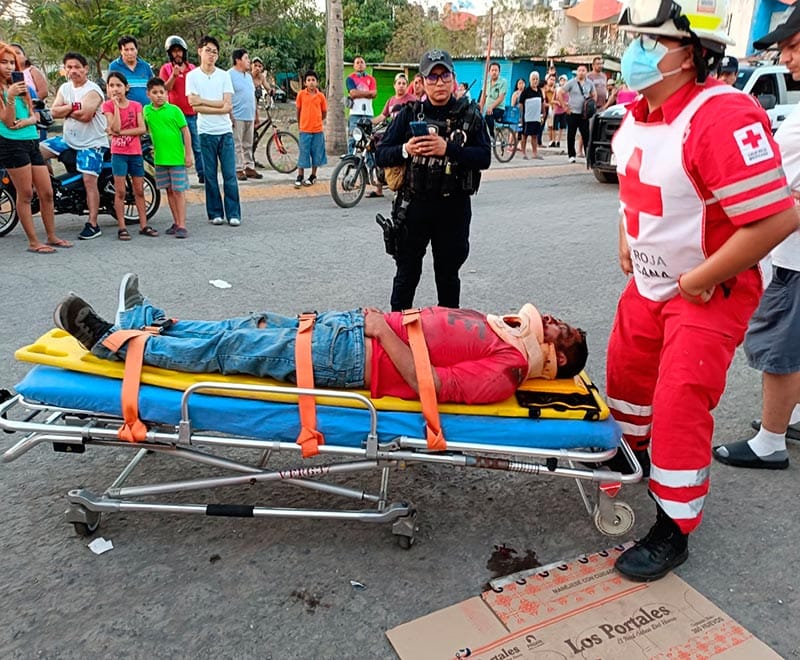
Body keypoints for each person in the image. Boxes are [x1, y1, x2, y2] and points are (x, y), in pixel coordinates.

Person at [606, 0, 798, 582]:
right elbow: (636, 187)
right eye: (632, 39)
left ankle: (674, 523)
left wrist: (700, 279)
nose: (633, 51)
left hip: (709, 289)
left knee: (679, 399)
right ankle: (635, 457)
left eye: (649, 41)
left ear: (689, 54)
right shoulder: (637, 114)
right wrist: (625, 235)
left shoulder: (721, 115)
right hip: (650, 282)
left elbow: (777, 217)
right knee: (626, 378)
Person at [54, 273, 589, 406]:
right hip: (350, 331)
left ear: (557, 356)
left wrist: (381, 332)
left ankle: (110, 342)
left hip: (354, 354)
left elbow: (433, 385)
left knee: (231, 349)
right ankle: (143, 321)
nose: (552, 319)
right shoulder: (505, 333)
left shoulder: (507, 371)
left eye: (560, 329)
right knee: (242, 328)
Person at [712, 9, 800, 470]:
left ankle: (771, 440)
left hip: (793, 256)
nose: (786, 58)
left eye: (794, 46)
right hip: (790, 250)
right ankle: (792, 415)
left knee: (779, 348)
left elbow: (779, 195)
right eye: (783, 49)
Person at [375, 49, 491, 312]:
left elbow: (484, 157)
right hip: (414, 207)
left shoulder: (470, 115)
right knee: (406, 276)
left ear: (453, 78)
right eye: (433, 77)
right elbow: (381, 154)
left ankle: (447, 332)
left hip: (453, 208)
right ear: (422, 81)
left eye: (444, 76)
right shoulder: (409, 113)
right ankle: (398, 331)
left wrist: (448, 149)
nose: (439, 83)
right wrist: (406, 149)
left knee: (448, 276)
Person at [0, 41, 71, 253]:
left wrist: (26, 121)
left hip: (31, 140)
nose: (9, 67)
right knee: (25, 194)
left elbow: (34, 115)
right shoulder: (6, 91)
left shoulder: (22, 85)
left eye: (12, 62)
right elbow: (7, 121)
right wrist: (10, 97)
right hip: (11, 144)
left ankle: (51, 236)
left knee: (47, 192)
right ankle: (33, 242)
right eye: (4, 62)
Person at [40, 51, 109, 240]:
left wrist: (66, 109)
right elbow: (53, 112)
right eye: (69, 67)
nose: (73, 71)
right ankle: (49, 188)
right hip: (68, 139)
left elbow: (86, 115)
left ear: (85, 69)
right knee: (36, 152)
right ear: (65, 70)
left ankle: (93, 223)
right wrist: (73, 107)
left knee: (89, 180)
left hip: (92, 143)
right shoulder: (65, 88)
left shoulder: (93, 90)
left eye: (77, 67)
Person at [185, 35, 241, 227]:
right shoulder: (192, 76)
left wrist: (203, 101)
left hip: (224, 131)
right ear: (200, 51)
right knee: (210, 175)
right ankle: (215, 213)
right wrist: (216, 105)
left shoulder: (224, 76)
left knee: (229, 175)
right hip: (205, 132)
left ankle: (233, 213)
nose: (211, 55)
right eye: (208, 50)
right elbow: (194, 106)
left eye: (215, 52)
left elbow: (227, 106)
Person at [101, 71, 156, 241]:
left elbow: (141, 129)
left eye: (118, 85)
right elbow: (115, 127)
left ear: (126, 87)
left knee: (138, 190)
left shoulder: (136, 106)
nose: (115, 89)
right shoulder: (107, 106)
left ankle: (144, 225)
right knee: (120, 191)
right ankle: (122, 227)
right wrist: (117, 107)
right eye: (111, 86)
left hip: (135, 152)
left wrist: (119, 132)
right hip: (119, 153)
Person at [143, 77, 193, 238]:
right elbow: (144, 128)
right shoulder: (146, 111)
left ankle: (182, 224)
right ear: (148, 94)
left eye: (162, 92)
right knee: (169, 191)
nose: (159, 95)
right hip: (160, 159)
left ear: (166, 93)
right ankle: (176, 221)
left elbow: (186, 132)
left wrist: (188, 154)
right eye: (155, 92)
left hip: (176, 158)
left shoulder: (175, 110)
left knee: (178, 191)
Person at [159, 35, 204, 185]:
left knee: (197, 146)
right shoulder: (166, 69)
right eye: (174, 51)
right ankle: (180, 177)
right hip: (175, 115)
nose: (177, 54)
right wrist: (173, 76)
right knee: (178, 147)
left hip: (192, 114)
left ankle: (202, 174)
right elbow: (164, 89)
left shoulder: (192, 68)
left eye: (179, 51)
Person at [228, 48, 262, 181]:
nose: (249, 61)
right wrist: (230, 114)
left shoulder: (248, 77)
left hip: (249, 115)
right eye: (246, 58)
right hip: (237, 115)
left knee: (248, 143)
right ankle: (238, 168)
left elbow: (252, 96)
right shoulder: (229, 75)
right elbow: (226, 96)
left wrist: (256, 114)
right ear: (238, 60)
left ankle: (249, 167)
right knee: (237, 144)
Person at [294, 70, 327, 188]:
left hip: (317, 130)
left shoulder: (321, 96)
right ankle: (300, 175)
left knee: (316, 153)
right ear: (305, 83)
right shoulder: (301, 95)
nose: (311, 82)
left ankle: (313, 175)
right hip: (305, 129)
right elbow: (298, 111)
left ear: (317, 82)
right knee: (303, 153)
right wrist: (300, 124)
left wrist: (318, 120)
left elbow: (324, 112)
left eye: (313, 80)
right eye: (308, 80)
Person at [561, 65, 596, 163]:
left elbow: (594, 94)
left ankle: (588, 156)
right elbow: (560, 92)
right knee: (571, 135)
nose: (581, 72)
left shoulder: (590, 83)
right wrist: (564, 106)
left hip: (584, 114)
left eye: (583, 70)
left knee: (586, 135)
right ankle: (571, 155)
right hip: (572, 112)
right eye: (579, 70)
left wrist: (592, 106)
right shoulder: (571, 82)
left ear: (586, 72)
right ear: (577, 72)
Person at [108, 36, 154, 107]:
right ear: (121, 51)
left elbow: (153, 87)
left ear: (136, 50)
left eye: (132, 49)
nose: (130, 53)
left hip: (146, 110)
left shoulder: (145, 66)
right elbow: (110, 90)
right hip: (125, 110)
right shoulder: (114, 66)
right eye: (126, 50)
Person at [518, 71, 544, 160]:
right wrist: (521, 116)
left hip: (536, 117)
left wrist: (542, 114)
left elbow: (542, 103)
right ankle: (523, 153)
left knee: (535, 135)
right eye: (533, 79)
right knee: (524, 135)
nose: (535, 81)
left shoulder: (539, 91)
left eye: (537, 79)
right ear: (530, 80)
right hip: (527, 118)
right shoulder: (526, 91)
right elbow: (520, 104)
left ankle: (535, 153)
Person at [479, 61, 507, 138]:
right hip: (487, 108)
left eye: (496, 70)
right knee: (478, 119)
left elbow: (501, 98)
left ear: (499, 72)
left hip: (498, 108)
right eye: (492, 70)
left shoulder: (503, 82)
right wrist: (480, 107)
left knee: (488, 116)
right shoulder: (486, 82)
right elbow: (483, 97)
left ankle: (491, 136)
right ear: (489, 72)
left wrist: (491, 107)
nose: (494, 72)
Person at [551, 74, 568, 148]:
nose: (562, 82)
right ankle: (553, 140)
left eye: (564, 80)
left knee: (561, 127)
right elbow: (552, 100)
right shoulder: (557, 90)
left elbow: (569, 101)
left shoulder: (568, 91)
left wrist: (565, 104)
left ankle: (559, 141)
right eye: (561, 80)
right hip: (557, 111)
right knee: (555, 127)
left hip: (564, 111)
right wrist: (557, 102)